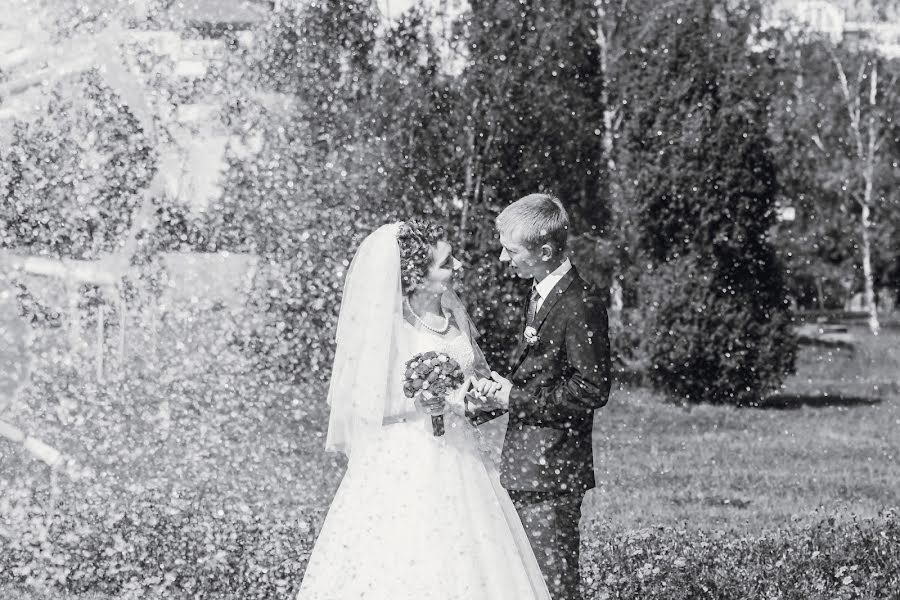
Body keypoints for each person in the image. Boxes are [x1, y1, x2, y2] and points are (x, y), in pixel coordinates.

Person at [296, 219, 550, 600]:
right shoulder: (390, 326)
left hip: (463, 454)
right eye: (447, 262)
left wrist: (477, 394)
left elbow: (471, 378)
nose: (458, 266)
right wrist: (419, 402)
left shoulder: (455, 316)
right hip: (405, 457)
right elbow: (365, 404)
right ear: (417, 274)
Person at [470, 194, 612, 599]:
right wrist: (492, 397)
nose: (502, 257)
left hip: (552, 469)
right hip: (527, 463)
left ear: (545, 251)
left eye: (511, 250)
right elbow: (540, 375)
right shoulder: (539, 292)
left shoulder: (581, 302)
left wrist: (514, 398)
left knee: (553, 585)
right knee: (525, 583)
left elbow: (591, 388)